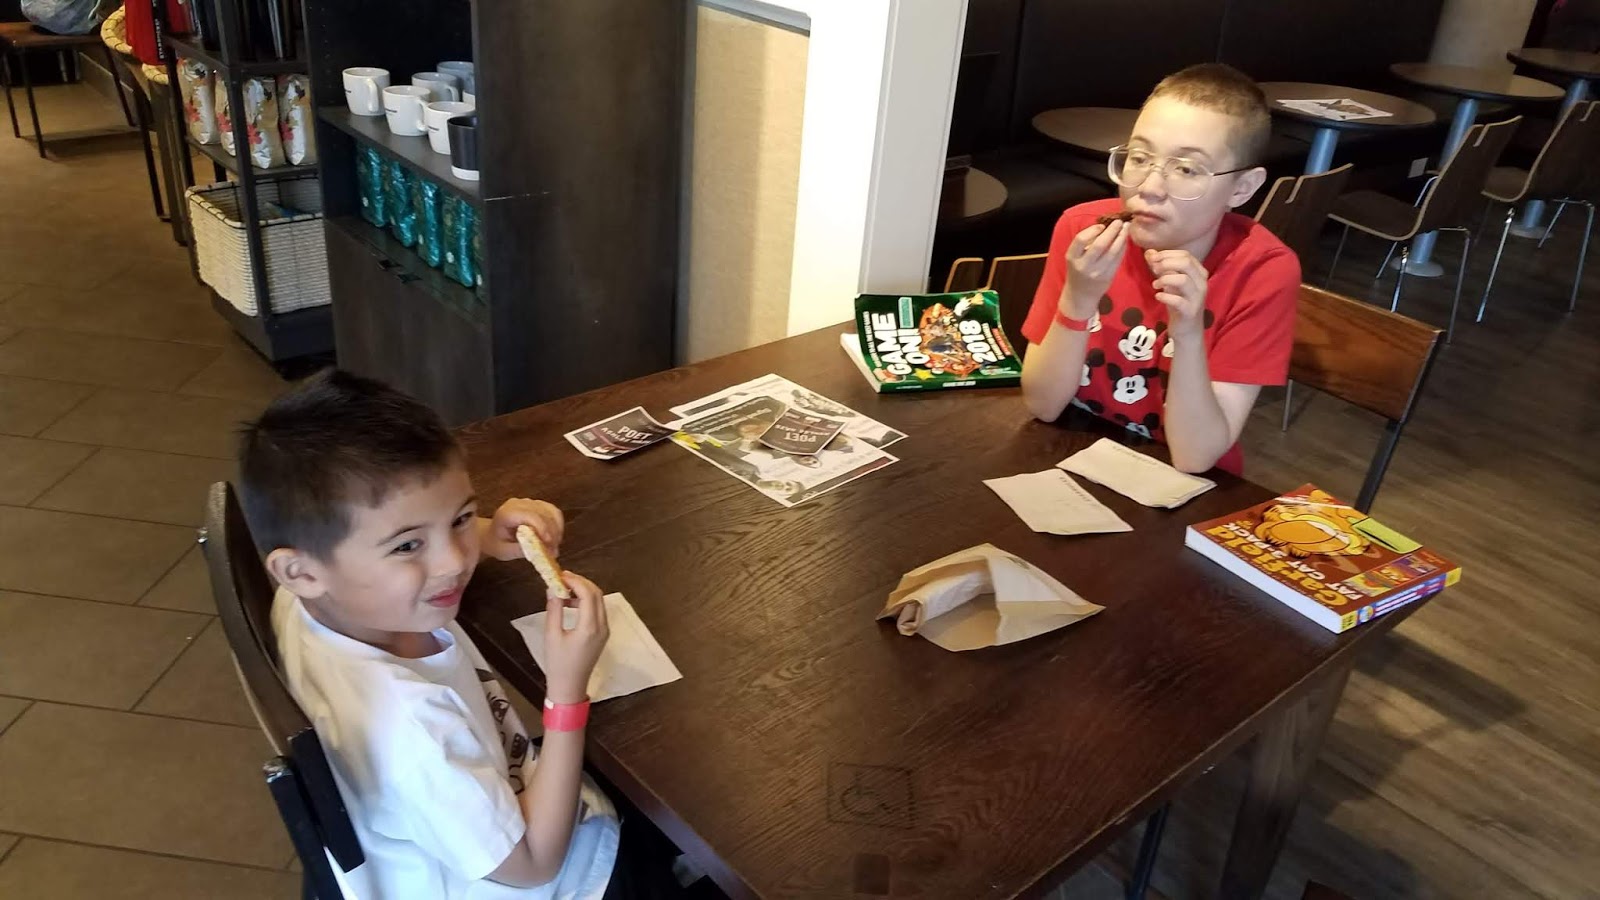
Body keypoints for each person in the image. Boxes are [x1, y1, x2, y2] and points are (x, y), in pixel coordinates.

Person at [238, 369, 679, 899]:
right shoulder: (411, 731)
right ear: (302, 571)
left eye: (460, 518)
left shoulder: (312, 593)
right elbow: (534, 865)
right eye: (408, 546)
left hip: (489, 805)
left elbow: (411, 539)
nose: (453, 562)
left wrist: (489, 534)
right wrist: (565, 693)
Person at [1019, 63, 1299, 475]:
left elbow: (1195, 457)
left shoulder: (1262, 272)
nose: (1149, 188)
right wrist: (1077, 300)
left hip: (1182, 482)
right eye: (1139, 157)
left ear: (1242, 188)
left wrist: (1187, 334)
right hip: (1071, 453)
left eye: (1186, 169)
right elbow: (1042, 405)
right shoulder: (1083, 232)